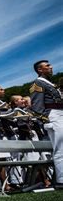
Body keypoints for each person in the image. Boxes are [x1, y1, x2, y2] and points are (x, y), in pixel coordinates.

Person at [30, 60, 63, 188]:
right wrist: (45, 120)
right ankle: (61, 179)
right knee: (60, 149)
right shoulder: (38, 83)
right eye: (47, 66)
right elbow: (37, 105)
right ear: (40, 70)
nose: (51, 67)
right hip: (53, 115)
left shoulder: (51, 83)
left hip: (60, 112)